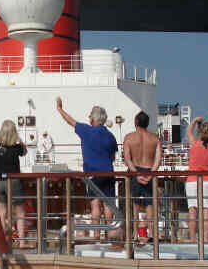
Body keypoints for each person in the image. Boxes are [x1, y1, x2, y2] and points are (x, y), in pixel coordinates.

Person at [57, 98, 120, 240]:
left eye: (90, 116)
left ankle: (97, 236)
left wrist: (60, 109)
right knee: (108, 205)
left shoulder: (86, 131)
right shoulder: (111, 136)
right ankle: (110, 235)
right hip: (108, 173)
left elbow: (70, 121)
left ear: (92, 119)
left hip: (93, 174)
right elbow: (113, 157)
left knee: (95, 205)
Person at [0, 120, 29, 247]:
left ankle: (3, 240)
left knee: (2, 212)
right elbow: (25, 151)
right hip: (14, 181)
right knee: (20, 212)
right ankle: (22, 242)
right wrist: (19, 139)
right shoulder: (17, 148)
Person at [122, 111, 162, 240]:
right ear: (148, 123)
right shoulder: (155, 138)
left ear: (135, 122)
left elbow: (127, 159)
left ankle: (134, 234)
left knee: (135, 204)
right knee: (150, 204)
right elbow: (158, 159)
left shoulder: (129, 138)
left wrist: (136, 173)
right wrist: (151, 174)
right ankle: (151, 233)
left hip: (135, 171)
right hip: (149, 170)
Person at [185, 117, 208, 243]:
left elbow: (189, 130)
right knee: (206, 212)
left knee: (192, 211)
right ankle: (206, 240)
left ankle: (193, 240)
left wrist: (194, 121)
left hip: (192, 180)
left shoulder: (194, 143)